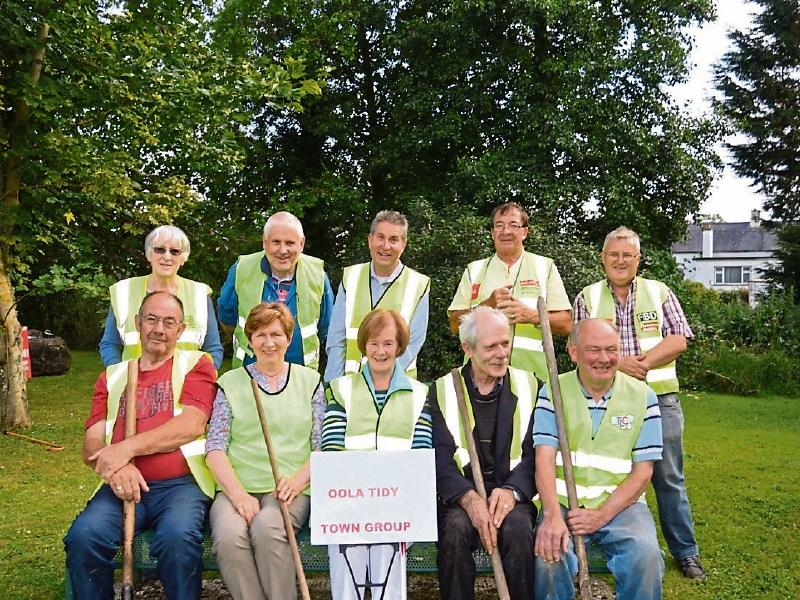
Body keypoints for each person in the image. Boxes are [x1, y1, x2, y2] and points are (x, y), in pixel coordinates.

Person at [65, 291, 217, 600]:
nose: (159, 329)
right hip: (121, 488)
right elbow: (92, 441)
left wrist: (126, 448)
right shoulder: (112, 376)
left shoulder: (196, 364)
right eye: (152, 319)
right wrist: (116, 466)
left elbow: (191, 425)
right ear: (138, 323)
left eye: (169, 322)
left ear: (180, 330)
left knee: (177, 538)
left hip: (181, 487)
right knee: (84, 536)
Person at [573, 225, 705, 580]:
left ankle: (686, 552)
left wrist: (640, 363)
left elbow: (679, 338)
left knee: (668, 477)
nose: (620, 261)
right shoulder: (586, 297)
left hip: (659, 399)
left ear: (638, 260)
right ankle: (614, 538)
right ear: (602, 259)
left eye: (627, 255)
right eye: (613, 255)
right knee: (606, 472)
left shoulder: (659, 292)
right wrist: (621, 364)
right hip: (604, 400)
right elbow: (581, 349)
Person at [533, 318, 664, 600]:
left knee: (647, 557)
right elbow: (543, 459)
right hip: (563, 503)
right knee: (548, 557)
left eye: (611, 349)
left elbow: (643, 472)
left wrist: (601, 516)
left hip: (622, 505)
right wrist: (553, 516)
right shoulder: (552, 392)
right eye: (593, 350)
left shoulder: (644, 397)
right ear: (573, 352)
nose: (604, 358)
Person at [206, 302, 324, 600]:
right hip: (237, 489)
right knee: (229, 538)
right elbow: (215, 449)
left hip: (290, 489)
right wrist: (238, 495)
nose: (269, 343)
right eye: (260, 335)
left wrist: (297, 481)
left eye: (276, 334)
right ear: (250, 340)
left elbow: (322, 446)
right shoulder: (230, 384)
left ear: (288, 338)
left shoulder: (311, 382)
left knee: (268, 528)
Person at [322, 309, 432, 599]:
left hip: (396, 508)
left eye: (387, 343)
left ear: (399, 347)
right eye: (373, 343)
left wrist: (401, 502)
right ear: (364, 345)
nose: (380, 351)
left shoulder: (419, 394)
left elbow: (420, 454)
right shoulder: (341, 389)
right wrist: (352, 499)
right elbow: (331, 448)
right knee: (347, 589)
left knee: (389, 590)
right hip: (347, 506)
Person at [429, 306, 537, 600]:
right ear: (468, 348)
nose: (502, 353)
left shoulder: (530, 386)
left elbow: (537, 453)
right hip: (462, 496)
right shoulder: (443, 390)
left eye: (505, 343)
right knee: (453, 530)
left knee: (518, 530)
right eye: (491, 347)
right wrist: (468, 497)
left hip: (511, 494)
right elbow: (439, 460)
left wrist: (513, 491)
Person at [447, 202, 571, 382]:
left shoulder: (545, 267)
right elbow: (453, 325)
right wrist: (487, 305)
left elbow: (567, 324)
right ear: (492, 233)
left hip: (533, 377)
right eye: (499, 225)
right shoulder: (474, 270)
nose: (506, 231)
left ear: (524, 232)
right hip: (480, 378)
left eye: (513, 225)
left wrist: (531, 316)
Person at [218, 211, 334, 370]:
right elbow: (227, 318)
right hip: (250, 374)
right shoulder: (241, 270)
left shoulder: (318, 275)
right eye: (276, 242)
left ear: (301, 243)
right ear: (265, 243)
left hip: (301, 377)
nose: (282, 250)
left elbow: (327, 329)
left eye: (290, 243)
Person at [324, 210, 429, 381]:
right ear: (370, 240)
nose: (386, 246)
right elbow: (337, 340)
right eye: (380, 237)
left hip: (395, 389)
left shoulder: (419, 285)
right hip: (349, 387)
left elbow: (412, 345)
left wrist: (377, 384)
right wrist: (332, 387)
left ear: (404, 244)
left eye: (393, 239)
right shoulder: (350, 277)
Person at [99, 225, 224, 369]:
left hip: (186, 386)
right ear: (148, 254)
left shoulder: (199, 294)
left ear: (183, 258)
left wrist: (202, 378)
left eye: (175, 251)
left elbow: (213, 348)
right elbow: (110, 344)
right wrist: (120, 376)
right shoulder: (123, 291)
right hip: (135, 384)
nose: (167, 256)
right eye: (160, 249)